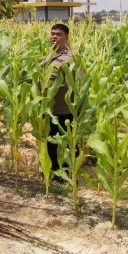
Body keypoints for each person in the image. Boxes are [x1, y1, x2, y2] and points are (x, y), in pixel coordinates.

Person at [41, 23, 83, 178]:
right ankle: (54, 170)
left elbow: (80, 82)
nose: (54, 37)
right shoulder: (51, 55)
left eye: (58, 34)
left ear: (67, 38)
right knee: (52, 141)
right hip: (50, 108)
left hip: (65, 108)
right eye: (52, 34)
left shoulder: (70, 58)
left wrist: (77, 107)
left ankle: (69, 173)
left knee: (67, 142)